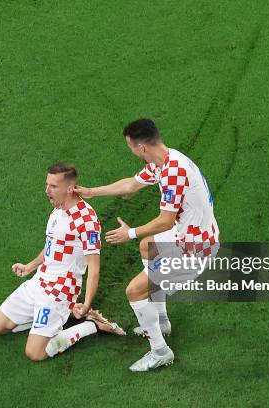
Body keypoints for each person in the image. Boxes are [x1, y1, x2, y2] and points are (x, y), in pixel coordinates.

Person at [75, 119, 220, 371]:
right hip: (190, 234)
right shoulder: (164, 161)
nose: (131, 151)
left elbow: (165, 221)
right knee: (148, 247)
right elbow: (131, 185)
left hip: (195, 248)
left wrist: (128, 233)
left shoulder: (174, 171)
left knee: (134, 291)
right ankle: (161, 320)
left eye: (131, 147)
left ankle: (160, 351)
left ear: (142, 147)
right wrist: (91, 192)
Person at [0, 162, 125, 361]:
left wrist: (87, 304)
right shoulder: (58, 208)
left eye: (53, 186)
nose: (47, 191)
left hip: (60, 290)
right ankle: (59, 315)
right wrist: (30, 266)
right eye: (47, 184)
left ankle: (93, 324)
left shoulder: (86, 220)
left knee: (35, 353)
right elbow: (52, 246)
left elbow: (94, 268)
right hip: (40, 281)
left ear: (70, 188)